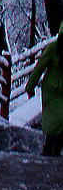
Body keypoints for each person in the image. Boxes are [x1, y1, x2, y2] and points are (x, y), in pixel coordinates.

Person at [26, 20, 63, 157]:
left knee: (52, 120)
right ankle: (54, 149)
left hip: (51, 89)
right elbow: (39, 67)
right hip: (55, 91)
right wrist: (30, 86)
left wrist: (30, 86)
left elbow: (39, 67)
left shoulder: (53, 48)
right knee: (59, 121)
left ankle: (48, 149)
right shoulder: (53, 48)